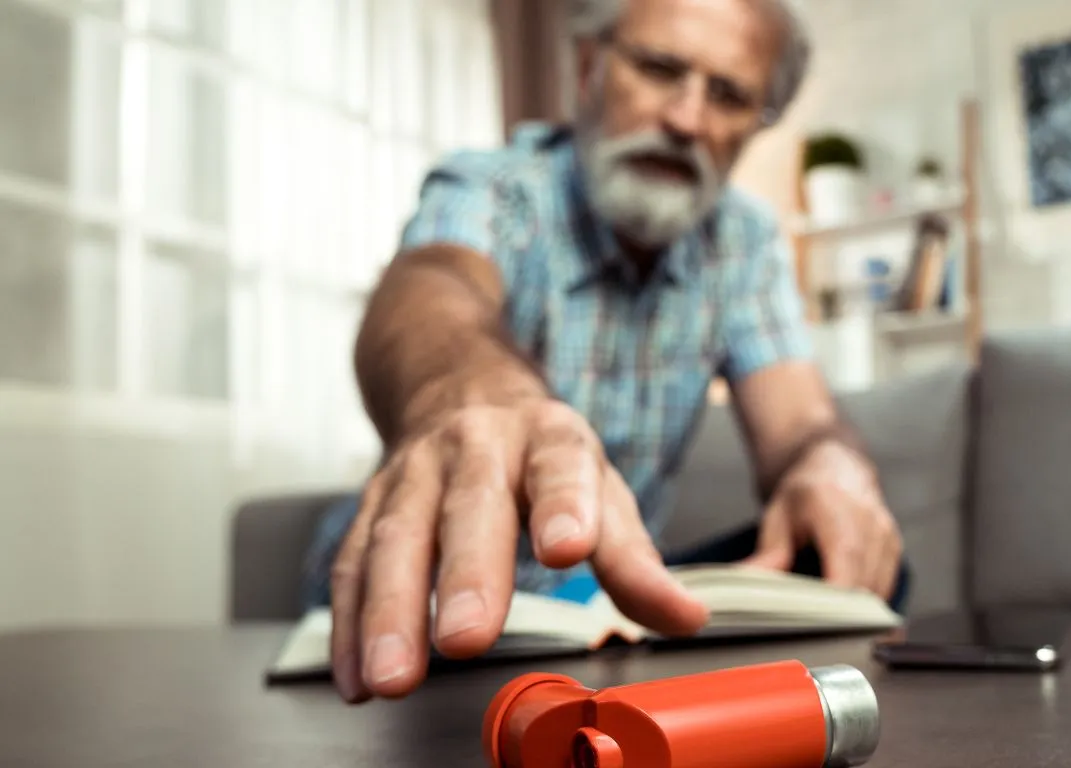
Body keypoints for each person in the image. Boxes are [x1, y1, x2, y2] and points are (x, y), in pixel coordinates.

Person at [305, 0, 910, 705]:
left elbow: (799, 422)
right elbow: (430, 288)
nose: (687, 120)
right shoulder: (496, 188)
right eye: (660, 69)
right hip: (423, 607)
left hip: (608, 610)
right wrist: (479, 393)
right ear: (590, 65)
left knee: (853, 559)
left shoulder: (743, 242)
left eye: (730, 95)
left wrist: (828, 467)